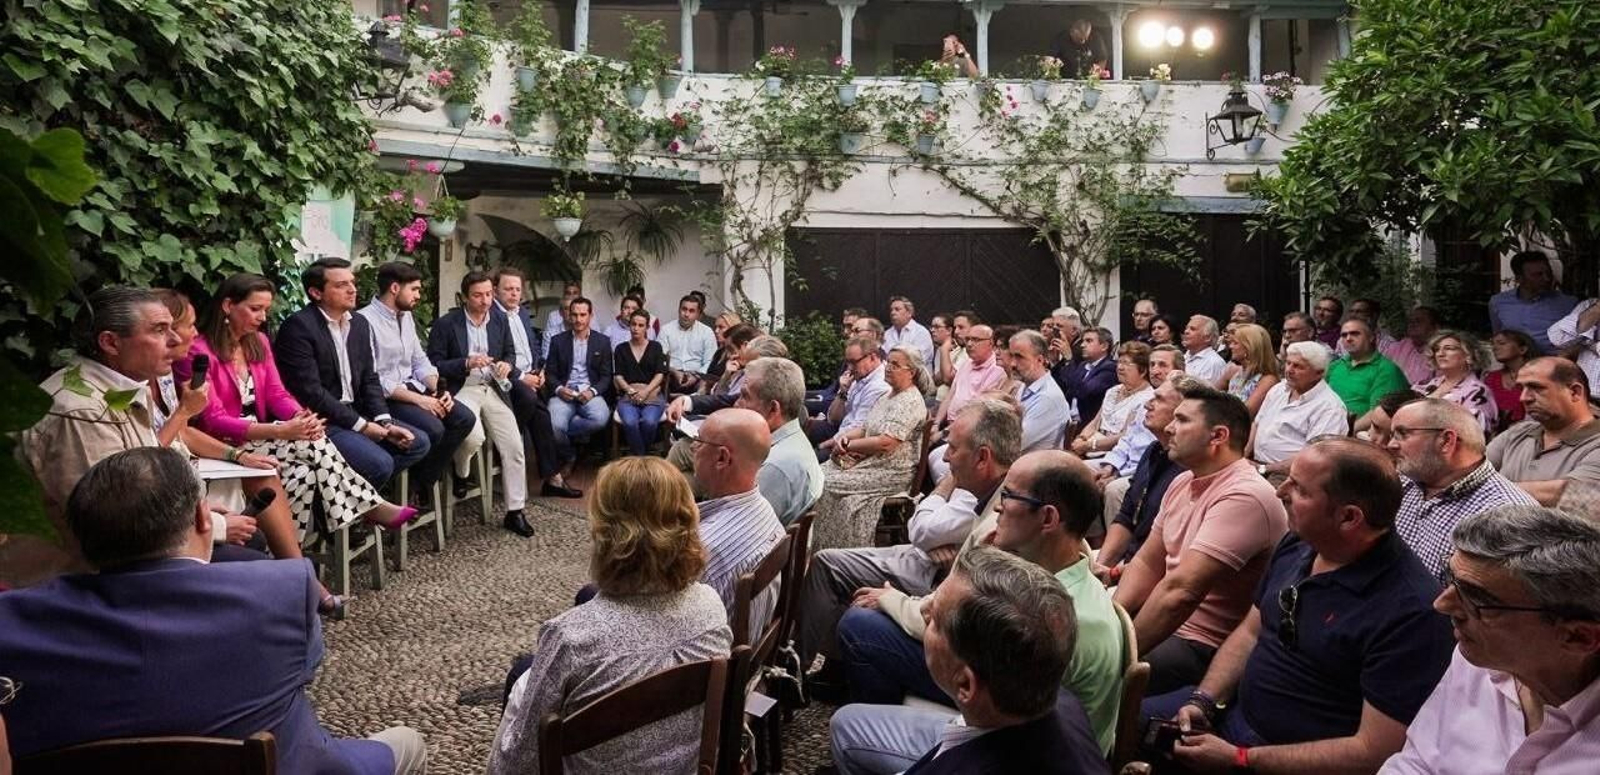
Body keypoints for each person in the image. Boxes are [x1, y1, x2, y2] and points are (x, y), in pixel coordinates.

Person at [0, 447, 427, 774]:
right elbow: (304, 667)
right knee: (409, 742)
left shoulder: (15, 624)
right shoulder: (282, 592)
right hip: (291, 763)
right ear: (205, 519)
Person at [1149, 438, 1455, 774]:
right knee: (1114, 719)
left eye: (1300, 490)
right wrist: (1204, 700)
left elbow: (1373, 751)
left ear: (1349, 517)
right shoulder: (1299, 543)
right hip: (1229, 719)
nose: (1281, 493)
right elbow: (1252, 632)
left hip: (1284, 761)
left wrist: (1240, 759)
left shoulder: (1412, 612)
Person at [830, 450, 1125, 768]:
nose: (998, 505)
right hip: (1010, 724)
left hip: (1013, 751)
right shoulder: (1050, 572)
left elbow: (999, 712)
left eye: (1009, 495)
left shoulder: (1055, 619)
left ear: (1049, 518)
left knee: (859, 648)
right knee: (863, 635)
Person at [489, 457, 732, 775]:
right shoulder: (710, 606)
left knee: (522, 682)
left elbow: (516, 764)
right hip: (683, 766)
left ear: (603, 531)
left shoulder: (572, 638)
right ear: (687, 521)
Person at [184, 275, 419, 556]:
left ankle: (282, 557)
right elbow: (211, 419)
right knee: (311, 443)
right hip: (220, 442)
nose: (262, 317)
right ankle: (368, 506)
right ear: (227, 305)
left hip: (260, 435)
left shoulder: (256, 341)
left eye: (266, 310)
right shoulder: (198, 351)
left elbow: (277, 394)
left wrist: (301, 417)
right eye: (255, 309)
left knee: (303, 472)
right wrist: (282, 430)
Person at [798, 398, 1018, 696]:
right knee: (833, 564)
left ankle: (806, 681)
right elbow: (924, 532)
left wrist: (892, 600)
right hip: (931, 572)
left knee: (856, 615)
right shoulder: (991, 491)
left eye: (953, 449)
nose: (946, 460)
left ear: (983, 458)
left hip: (956, 634)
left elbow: (926, 541)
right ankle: (822, 672)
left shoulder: (1000, 516)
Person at [847, 546, 1112, 775]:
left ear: (965, 683)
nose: (925, 612)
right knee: (846, 723)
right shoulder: (1061, 700)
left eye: (936, 621)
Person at [1381, 504, 1600, 774]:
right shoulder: (1476, 657)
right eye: (1452, 580)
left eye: (1478, 600)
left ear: (1578, 637)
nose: (1441, 604)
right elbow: (1418, 761)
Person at [1113, 383, 1288, 694]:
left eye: (1182, 420)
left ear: (1217, 436)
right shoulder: (1183, 480)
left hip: (1200, 642)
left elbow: (1181, 592)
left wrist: (1121, 652)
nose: (1169, 428)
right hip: (1164, 621)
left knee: (1086, 671)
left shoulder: (1245, 495)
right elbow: (1146, 563)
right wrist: (1114, 621)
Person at [275, 258, 429, 489]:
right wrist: (362, 427)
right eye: (341, 285)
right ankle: (343, 511)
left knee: (418, 442)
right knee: (379, 464)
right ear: (316, 292)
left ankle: (359, 500)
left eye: (353, 282)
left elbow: (370, 378)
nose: (352, 289)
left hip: (355, 410)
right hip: (321, 419)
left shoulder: (358, 323)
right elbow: (312, 393)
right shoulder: (298, 327)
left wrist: (384, 422)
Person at [427, 274, 539, 536]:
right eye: (478, 295)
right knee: (472, 437)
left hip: (494, 387)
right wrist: (465, 363)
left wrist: (506, 364)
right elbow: (434, 364)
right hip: (462, 387)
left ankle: (515, 511)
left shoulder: (499, 319)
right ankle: (462, 471)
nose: (485, 300)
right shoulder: (447, 323)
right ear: (465, 297)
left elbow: (509, 352)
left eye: (489, 294)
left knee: (514, 445)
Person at [358, 262, 475, 497]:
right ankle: (403, 489)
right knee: (434, 428)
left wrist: (439, 390)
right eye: (414, 289)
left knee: (463, 417)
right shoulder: (364, 321)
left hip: (413, 387)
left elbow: (420, 361)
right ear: (394, 288)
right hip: (386, 397)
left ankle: (421, 483)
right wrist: (420, 401)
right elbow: (373, 379)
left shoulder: (406, 317)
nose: (418, 296)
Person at [1386, 398, 1536, 581]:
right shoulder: (1402, 482)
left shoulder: (1506, 515)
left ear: (1446, 441)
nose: (1391, 445)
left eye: (1402, 434)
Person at [812, 345, 932, 552]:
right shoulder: (888, 396)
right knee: (816, 474)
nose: (888, 368)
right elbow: (866, 427)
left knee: (825, 483)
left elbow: (886, 442)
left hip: (891, 470)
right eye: (889, 363)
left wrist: (848, 445)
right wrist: (843, 438)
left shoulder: (910, 401)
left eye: (895, 365)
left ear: (911, 372)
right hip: (870, 461)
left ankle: (838, 551)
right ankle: (819, 545)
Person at [690, 408, 785, 636]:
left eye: (698, 441)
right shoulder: (763, 508)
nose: (692, 448)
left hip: (711, 664)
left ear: (723, 458)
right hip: (746, 647)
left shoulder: (703, 548)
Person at [1094, 375, 1192, 582]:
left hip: (1151, 576)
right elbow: (1127, 516)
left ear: (1182, 412)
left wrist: (1111, 574)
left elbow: (1163, 555)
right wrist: (1100, 566)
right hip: (1130, 562)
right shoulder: (1154, 450)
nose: (1147, 404)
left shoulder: (1188, 470)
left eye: (1159, 399)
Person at [1486, 357, 1600, 508]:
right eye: (1521, 388)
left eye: (1536, 387)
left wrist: (1485, 492)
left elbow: (1579, 494)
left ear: (1574, 392)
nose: (1524, 398)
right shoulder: (1518, 432)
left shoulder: (1595, 441)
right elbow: (1469, 471)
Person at [736, 357, 824, 525]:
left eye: (744, 396)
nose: (737, 404)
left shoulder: (776, 466)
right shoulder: (790, 444)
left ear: (773, 409)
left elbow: (740, 531)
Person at [1246, 341, 1350, 478]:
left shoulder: (1329, 407)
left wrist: (1264, 468)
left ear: (1318, 373)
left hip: (1292, 476)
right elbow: (1257, 423)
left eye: (1298, 366)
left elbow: (1314, 458)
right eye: (1288, 363)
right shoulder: (1279, 389)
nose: (1289, 370)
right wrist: (1243, 456)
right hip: (1257, 466)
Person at [542, 296, 613, 480]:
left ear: (590, 316)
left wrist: (592, 392)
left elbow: (606, 376)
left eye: (583, 315)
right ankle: (569, 454)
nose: (578, 319)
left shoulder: (602, 341)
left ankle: (568, 436)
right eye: (574, 315)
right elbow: (549, 374)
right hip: (564, 391)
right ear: (568, 316)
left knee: (600, 418)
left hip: (589, 391)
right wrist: (558, 389)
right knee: (554, 425)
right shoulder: (558, 341)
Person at [1071, 340, 1154, 458]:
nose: (1120, 367)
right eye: (1119, 362)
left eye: (1126, 363)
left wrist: (1088, 445)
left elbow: (1124, 436)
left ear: (1143, 370)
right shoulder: (1113, 391)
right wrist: (1081, 438)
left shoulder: (1147, 398)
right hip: (1090, 445)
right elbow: (1095, 422)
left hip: (1114, 453)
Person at [1489, 250, 1577, 354]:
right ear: (1519, 279)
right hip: (1515, 366)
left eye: (1548, 273)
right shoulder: (1498, 303)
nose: (1546, 279)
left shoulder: (1568, 304)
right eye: (1538, 275)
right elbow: (1499, 337)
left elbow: (1578, 343)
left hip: (1553, 364)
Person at [1412, 329, 1498, 437]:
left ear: (1468, 355)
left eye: (1449, 349)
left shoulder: (1478, 391)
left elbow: (1475, 433)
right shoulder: (1422, 385)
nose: (1440, 354)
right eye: (1437, 349)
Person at [819, 336, 892, 460]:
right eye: (847, 362)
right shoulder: (859, 376)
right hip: (842, 430)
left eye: (854, 362)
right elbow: (833, 419)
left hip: (853, 445)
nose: (850, 367)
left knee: (815, 455)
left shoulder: (879, 386)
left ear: (873, 357)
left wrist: (825, 445)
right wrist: (842, 392)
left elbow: (860, 428)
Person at [1325, 316, 1410, 417]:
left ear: (1371, 338)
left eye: (1355, 334)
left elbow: (1378, 414)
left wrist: (1349, 431)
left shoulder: (1386, 369)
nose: (1348, 338)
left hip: (1357, 431)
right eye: (1344, 335)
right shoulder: (1335, 365)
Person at [612, 309, 669, 456]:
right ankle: (642, 459)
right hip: (629, 396)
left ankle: (638, 458)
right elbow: (618, 376)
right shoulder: (621, 348)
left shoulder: (656, 347)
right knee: (630, 423)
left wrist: (645, 391)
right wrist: (631, 391)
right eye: (633, 324)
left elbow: (659, 375)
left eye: (640, 325)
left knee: (649, 422)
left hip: (652, 395)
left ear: (647, 327)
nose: (636, 328)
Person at [1007, 329, 1072, 454]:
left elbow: (1012, 445)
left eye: (1019, 357)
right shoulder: (1024, 387)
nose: (1013, 364)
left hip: (1036, 468)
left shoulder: (1047, 397)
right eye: (1011, 356)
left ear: (1040, 360)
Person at [1056, 326, 1120, 429]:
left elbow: (1084, 391)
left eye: (1088, 341)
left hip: (1090, 426)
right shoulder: (1083, 365)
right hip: (1070, 423)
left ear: (1104, 346)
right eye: (1083, 341)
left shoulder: (1110, 368)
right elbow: (1067, 387)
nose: (1082, 345)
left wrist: (1068, 359)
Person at [1215, 323, 1281, 416]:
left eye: (1235, 343)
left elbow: (1246, 413)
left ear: (1249, 347)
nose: (1230, 347)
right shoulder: (1233, 371)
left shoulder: (1268, 380)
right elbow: (1210, 396)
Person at [1545, 292, 1600, 399]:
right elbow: (1558, 338)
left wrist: (1588, 343)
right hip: (1584, 397)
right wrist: (1597, 308)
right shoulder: (1590, 304)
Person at [658, 294, 717, 393]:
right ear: (679, 310)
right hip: (671, 375)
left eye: (691, 311)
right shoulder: (666, 330)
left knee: (705, 387)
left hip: (697, 377)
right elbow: (660, 359)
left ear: (698, 314)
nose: (686, 314)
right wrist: (674, 371)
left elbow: (710, 361)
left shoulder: (707, 332)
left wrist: (696, 376)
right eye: (684, 309)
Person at [1485, 329, 1538, 430]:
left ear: (1522, 349)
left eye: (1502, 343)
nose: (1495, 348)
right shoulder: (1491, 378)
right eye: (1493, 344)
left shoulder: (1538, 377)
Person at [1381, 305, 1442, 384]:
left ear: (1435, 328)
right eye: (1410, 321)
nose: (1412, 324)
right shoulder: (1400, 347)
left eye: (1418, 321)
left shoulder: (1442, 351)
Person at [884, 295, 936, 373]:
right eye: (891, 310)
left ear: (909, 313)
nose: (893, 313)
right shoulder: (887, 334)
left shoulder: (921, 332)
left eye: (897, 309)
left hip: (918, 379)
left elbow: (918, 361)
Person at [1181, 315, 1228, 385]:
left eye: (1192, 329)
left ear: (1208, 337)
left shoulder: (1215, 363)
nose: (1186, 332)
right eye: (1186, 328)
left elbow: (1209, 394)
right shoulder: (1182, 357)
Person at [541, 280, 581, 359]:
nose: (570, 312)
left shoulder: (586, 333)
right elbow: (546, 359)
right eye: (566, 309)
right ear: (561, 312)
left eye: (575, 293)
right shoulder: (551, 334)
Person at [703, 309, 742, 383]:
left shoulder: (738, 355)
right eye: (716, 327)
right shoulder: (720, 351)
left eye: (721, 327)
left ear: (732, 328)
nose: (716, 331)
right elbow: (709, 375)